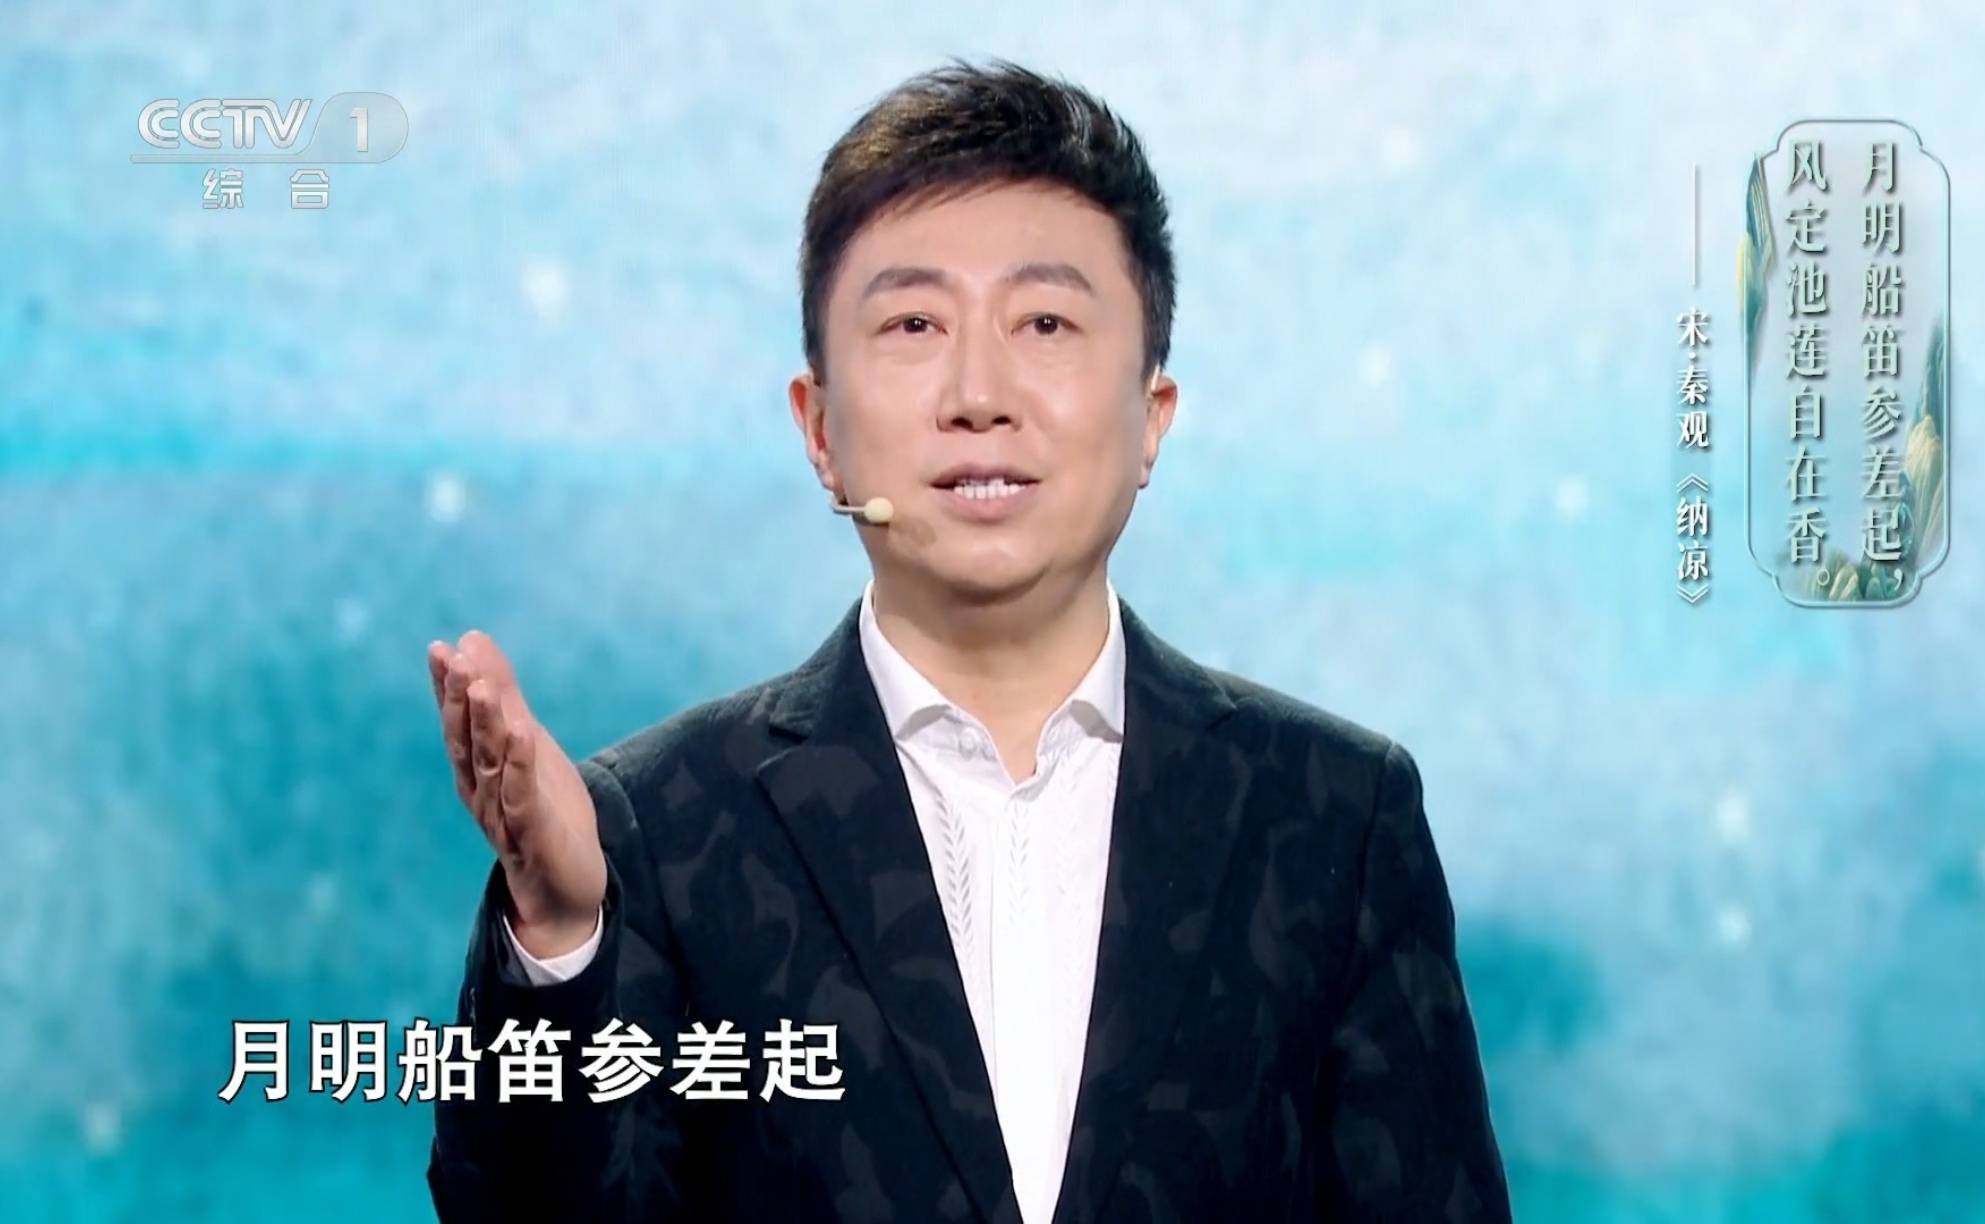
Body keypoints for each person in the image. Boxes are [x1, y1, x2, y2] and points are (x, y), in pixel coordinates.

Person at [424, 58, 1509, 1223]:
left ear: (1150, 417)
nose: (978, 393)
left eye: (1045, 322)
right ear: (820, 429)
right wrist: (560, 934)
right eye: (914, 324)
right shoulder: (656, 830)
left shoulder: (1333, 817)